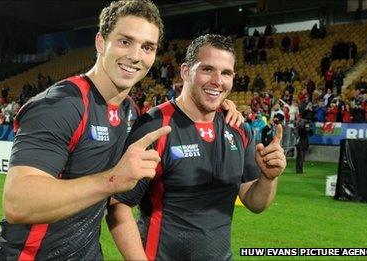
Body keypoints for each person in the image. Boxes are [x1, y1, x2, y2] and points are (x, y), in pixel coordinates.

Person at [0, 1, 243, 260]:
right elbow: (18, 202)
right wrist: (113, 180)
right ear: (101, 42)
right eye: (124, 41)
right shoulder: (61, 105)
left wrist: (221, 106)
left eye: (147, 47)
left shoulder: (129, 111)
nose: (135, 55)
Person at [107, 34, 286, 261]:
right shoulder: (155, 126)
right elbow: (118, 205)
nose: (217, 81)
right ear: (185, 71)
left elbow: (255, 202)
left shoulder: (238, 128)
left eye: (226, 73)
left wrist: (268, 179)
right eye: (207, 69)